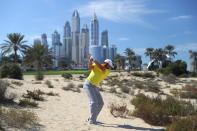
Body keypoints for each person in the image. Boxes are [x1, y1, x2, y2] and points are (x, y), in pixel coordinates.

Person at [83, 55, 114, 124]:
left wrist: (94, 59)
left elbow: (101, 68)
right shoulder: (98, 65)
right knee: (94, 102)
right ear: (107, 64)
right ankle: (92, 120)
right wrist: (90, 61)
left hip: (94, 86)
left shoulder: (107, 71)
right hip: (88, 84)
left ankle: (92, 118)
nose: (110, 68)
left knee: (101, 103)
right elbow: (90, 67)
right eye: (110, 66)